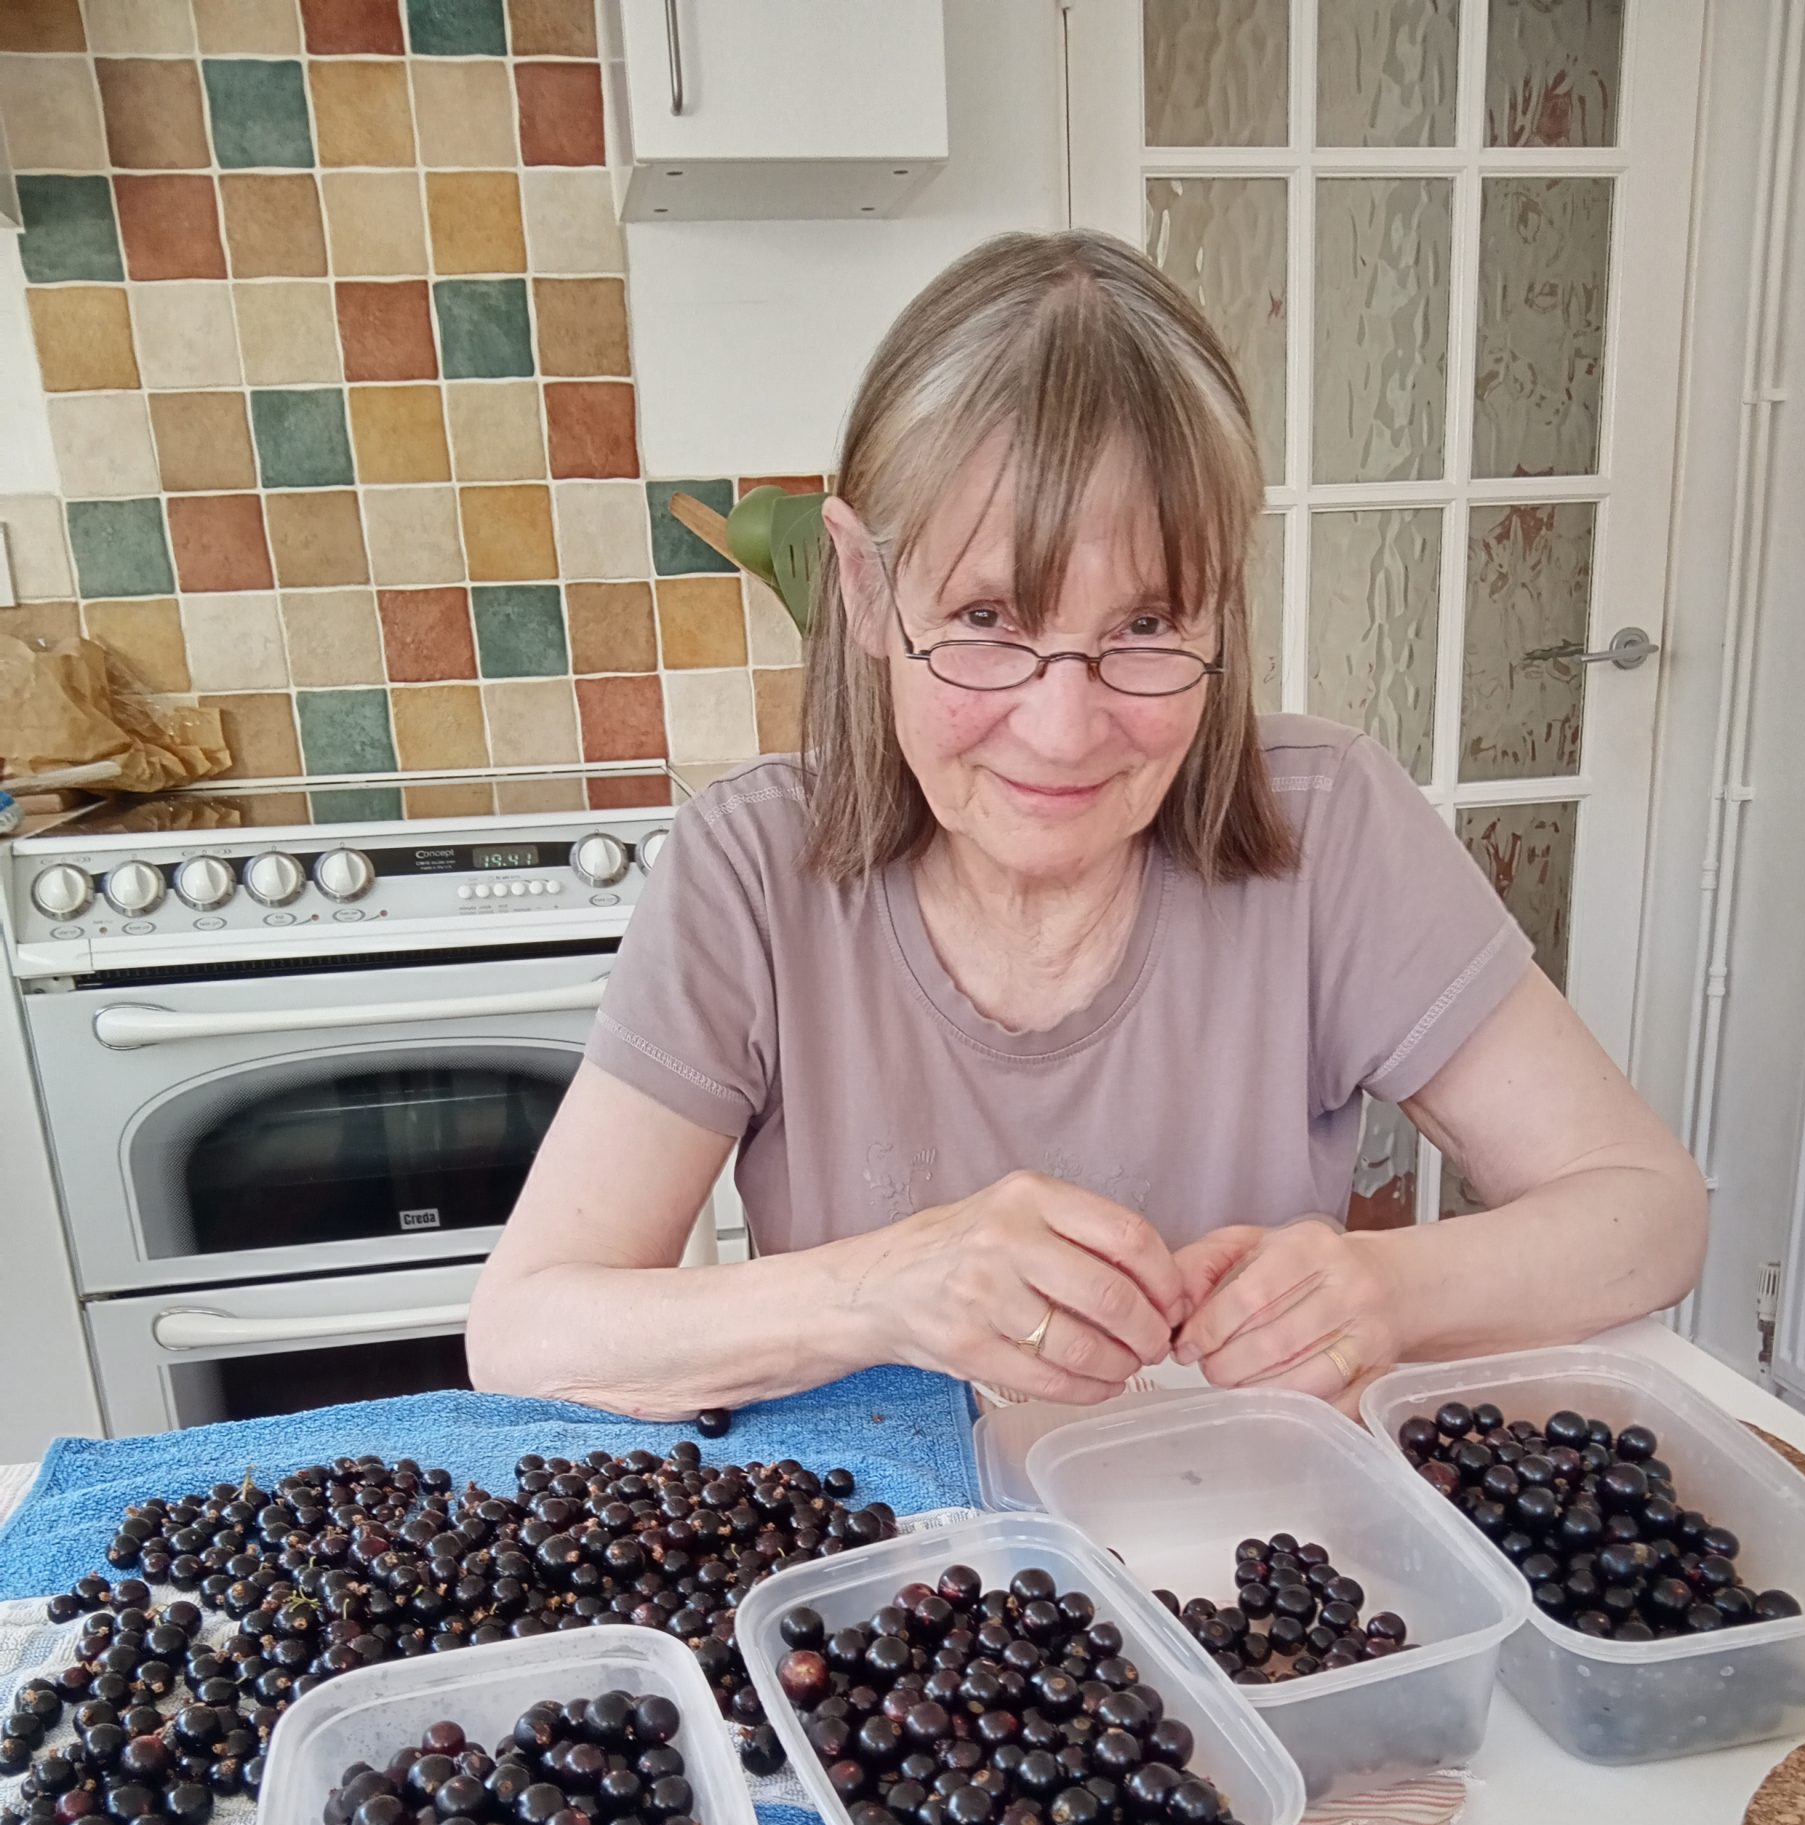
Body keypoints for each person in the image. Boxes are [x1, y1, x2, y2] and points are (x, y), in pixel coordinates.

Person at [467, 231, 1705, 1420]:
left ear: (1222, 605)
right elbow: (525, 1331)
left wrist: (1389, 1287)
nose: (1064, 731)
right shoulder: (751, 869)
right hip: (892, 1585)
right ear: (860, 585)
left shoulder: (1329, 826)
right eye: (988, 618)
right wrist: (888, 1289)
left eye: (1148, 626)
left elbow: (1651, 1210)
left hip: (1225, 1548)